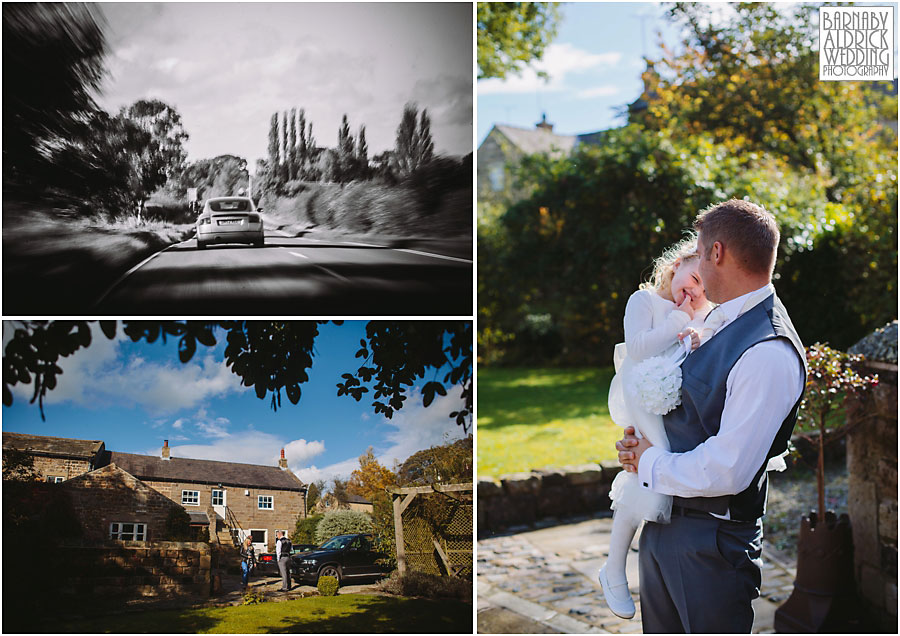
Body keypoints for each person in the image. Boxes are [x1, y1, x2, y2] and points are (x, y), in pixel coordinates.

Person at [617, 199, 807, 633]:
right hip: (666, 523)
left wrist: (647, 462)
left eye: (700, 251)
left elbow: (728, 469)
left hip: (711, 546)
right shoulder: (718, 319)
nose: (695, 261)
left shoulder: (767, 349)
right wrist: (640, 445)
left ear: (716, 253)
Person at [598, 235, 711, 619]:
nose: (693, 290)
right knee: (648, 467)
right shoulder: (643, 301)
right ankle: (613, 568)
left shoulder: (698, 314)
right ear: (676, 264)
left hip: (667, 399)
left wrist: (697, 332)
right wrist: (682, 319)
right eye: (692, 278)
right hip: (640, 391)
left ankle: (614, 567)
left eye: (701, 288)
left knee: (647, 471)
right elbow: (641, 347)